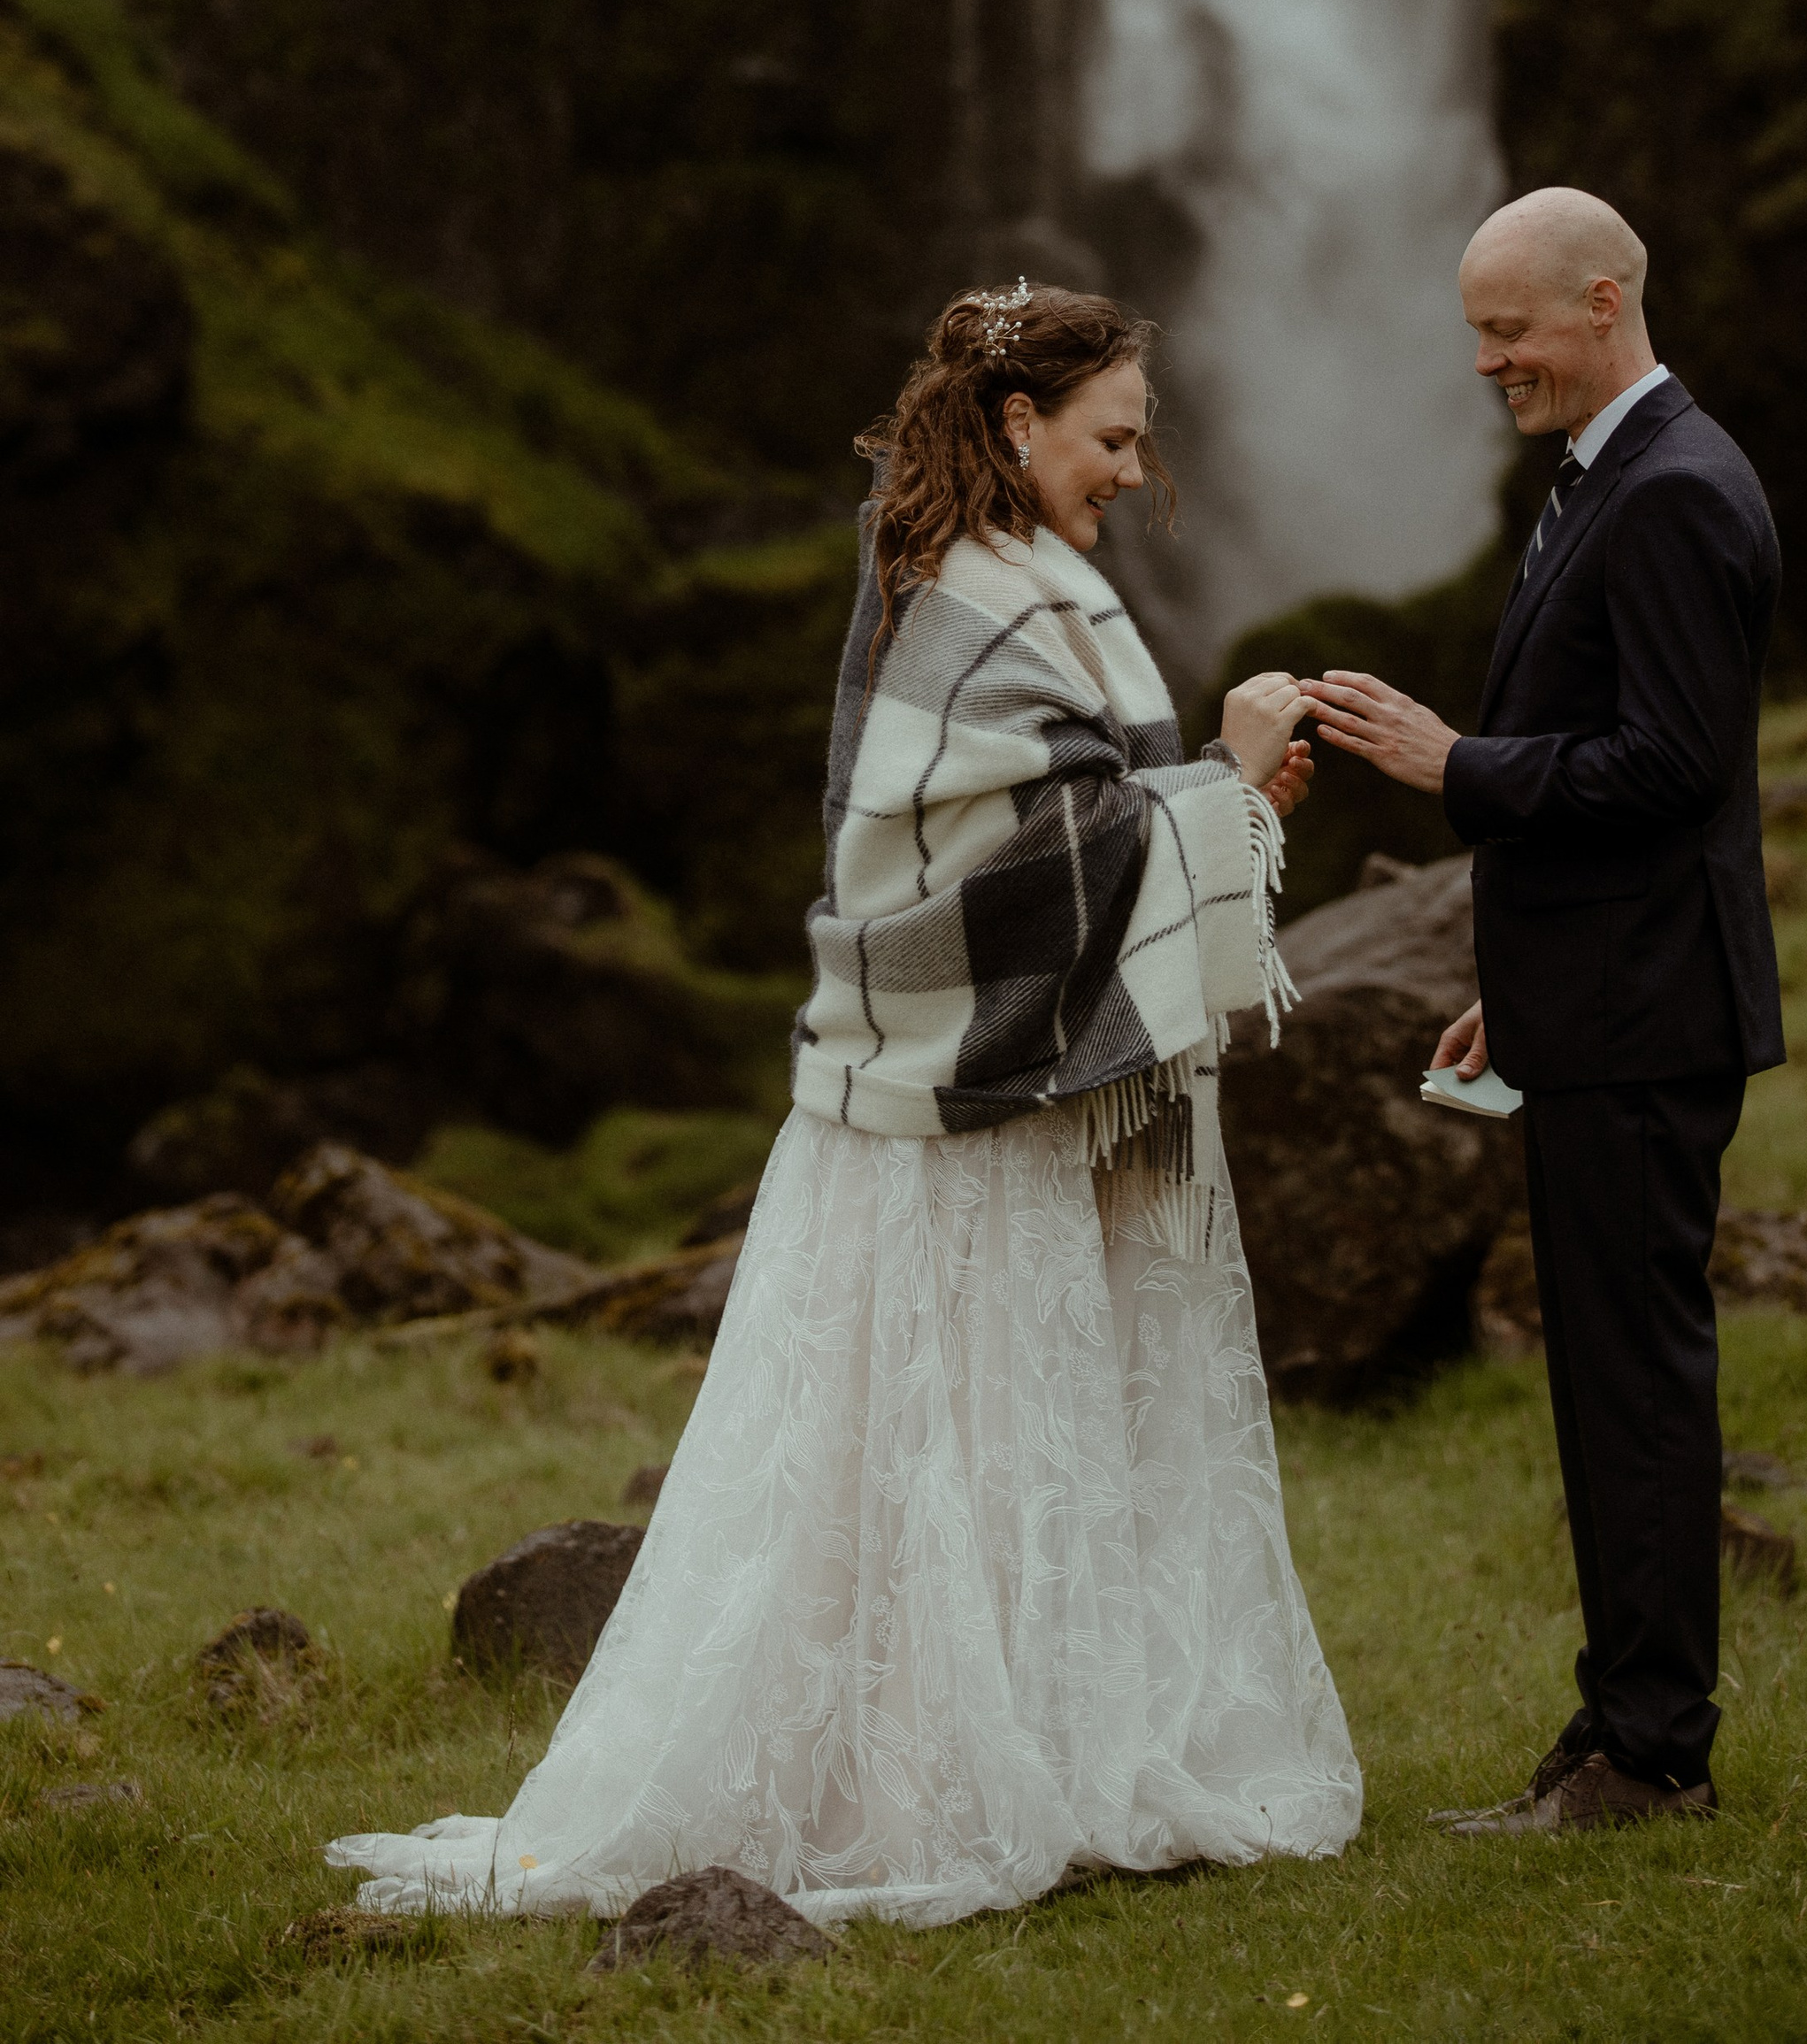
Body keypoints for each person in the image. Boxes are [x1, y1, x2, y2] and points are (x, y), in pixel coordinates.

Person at [327, 280, 1359, 1929]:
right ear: (1020, 427)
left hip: (947, 1103)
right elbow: (1002, 871)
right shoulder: (978, 598)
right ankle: (928, 1782)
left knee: (971, 1441)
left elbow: (1043, 828)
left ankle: (981, 1750)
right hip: (948, 1120)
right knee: (934, 1437)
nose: (1134, 466)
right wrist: (1224, 787)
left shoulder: (983, 581)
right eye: (1112, 435)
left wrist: (1201, 801)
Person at [1298, 188, 1780, 1835]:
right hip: (1604, 1004)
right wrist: (1518, 990)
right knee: (1604, 1380)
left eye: (1509, 330)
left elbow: (1674, 768)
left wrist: (1456, 767)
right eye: (1475, 334)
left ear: (1604, 300)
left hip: (1653, 1022)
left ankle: (1652, 1757)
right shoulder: (1611, 477)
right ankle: (1617, 1730)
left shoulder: (1674, 492)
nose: (1489, 361)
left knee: (1634, 1385)